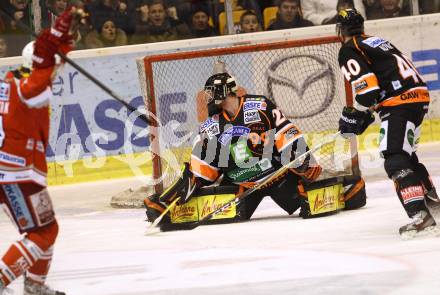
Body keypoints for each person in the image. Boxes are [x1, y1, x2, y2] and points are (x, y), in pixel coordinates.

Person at [145, 72, 367, 230]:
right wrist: (174, 196)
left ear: (223, 92)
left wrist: (304, 161)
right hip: (241, 183)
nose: (209, 99)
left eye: (212, 94)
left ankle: (347, 190)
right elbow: (202, 169)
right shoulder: (210, 126)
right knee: (224, 216)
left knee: (312, 207)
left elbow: (286, 130)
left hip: (276, 176)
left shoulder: (259, 105)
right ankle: (166, 204)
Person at [0, 7, 82, 295]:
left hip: (10, 171)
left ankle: (35, 285)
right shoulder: (29, 88)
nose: (57, 71)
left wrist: (62, 43)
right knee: (43, 232)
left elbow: (45, 60)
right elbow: (43, 62)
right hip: (17, 174)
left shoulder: (10, 83)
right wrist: (56, 36)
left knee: (46, 228)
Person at [336, 8, 439, 237]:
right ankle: (435, 207)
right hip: (418, 96)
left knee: (395, 159)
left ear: (340, 30)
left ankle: (421, 216)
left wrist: (354, 116)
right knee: (408, 157)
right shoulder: (378, 41)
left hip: (400, 102)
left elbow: (368, 91)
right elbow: (383, 81)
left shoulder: (349, 49)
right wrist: (364, 113)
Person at [301, 0, 366, 25]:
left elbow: (360, 11)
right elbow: (308, 15)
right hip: (322, 30)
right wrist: (326, 21)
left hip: (351, 27)